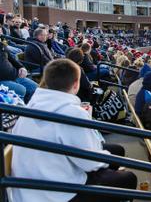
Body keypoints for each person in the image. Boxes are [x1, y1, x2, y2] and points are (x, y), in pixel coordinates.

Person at [10, 59, 137, 202]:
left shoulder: (31, 106)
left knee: (116, 151)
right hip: (55, 194)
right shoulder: (72, 112)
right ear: (76, 84)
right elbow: (90, 162)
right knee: (128, 178)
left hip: (32, 186)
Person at [0, 38, 38, 103]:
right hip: (2, 81)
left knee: (35, 87)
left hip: (15, 75)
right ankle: (21, 112)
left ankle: (30, 109)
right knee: (21, 90)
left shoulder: (1, 45)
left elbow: (12, 59)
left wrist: (21, 67)